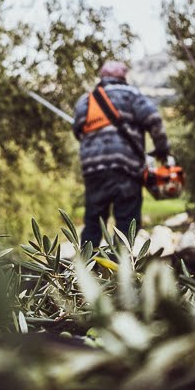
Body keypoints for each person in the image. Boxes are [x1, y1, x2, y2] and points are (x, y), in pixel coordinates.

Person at [73, 60, 171, 249]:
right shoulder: (132, 95)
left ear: (102, 77)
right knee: (126, 224)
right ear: (123, 77)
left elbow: (78, 131)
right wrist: (162, 150)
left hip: (94, 170)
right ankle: (119, 272)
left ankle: (85, 272)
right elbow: (154, 120)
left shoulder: (86, 100)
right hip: (126, 170)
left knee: (93, 223)